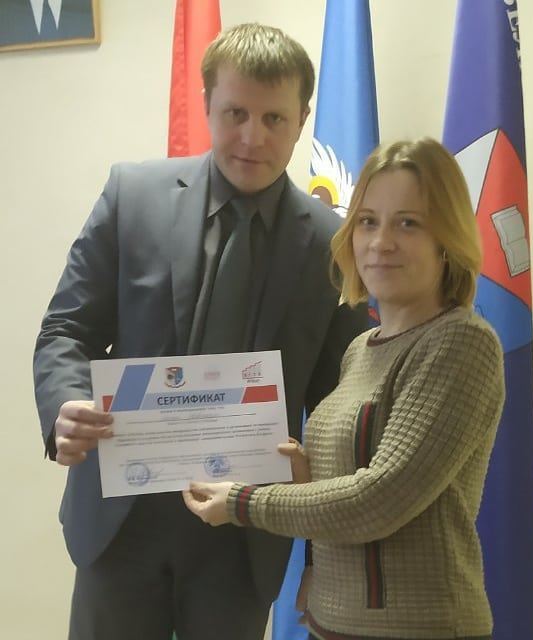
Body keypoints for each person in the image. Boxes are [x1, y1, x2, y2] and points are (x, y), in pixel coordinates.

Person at [33, 23, 367, 640]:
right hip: (121, 521)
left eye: (274, 118)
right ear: (208, 102)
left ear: (302, 119)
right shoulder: (132, 196)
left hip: (245, 536)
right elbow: (65, 330)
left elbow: (340, 400)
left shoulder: (335, 246)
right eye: (236, 112)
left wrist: (319, 515)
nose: (252, 137)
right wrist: (65, 405)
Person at [184, 138, 506, 640]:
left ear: (447, 240)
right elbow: (348, 488)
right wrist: (303, 476)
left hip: (423, 629)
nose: (381, 242)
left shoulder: (461, 342)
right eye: (367, 221)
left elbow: (379, 500)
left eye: (408, 223)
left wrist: (246, 502)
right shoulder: (360, 349)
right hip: (330, 622)